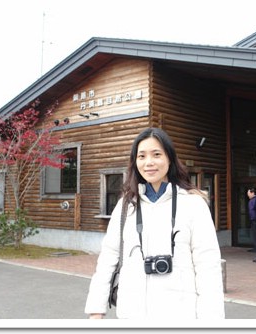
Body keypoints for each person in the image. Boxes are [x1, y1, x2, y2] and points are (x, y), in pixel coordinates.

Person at [85, 127, 225, 320]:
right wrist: (96, 310)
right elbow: (108, 258)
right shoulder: (126, 205)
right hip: (131, 314)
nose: (149, 162)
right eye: (141, 156)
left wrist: (211, 321)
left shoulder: (193, 204)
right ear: (135, 162)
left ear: (169, 158)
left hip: (180, 315)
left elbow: (208, 267)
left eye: (156, 154)